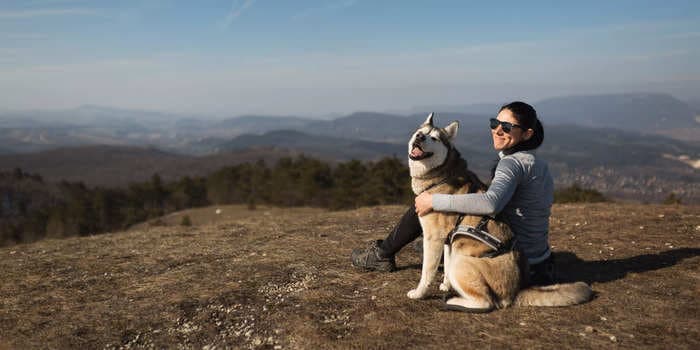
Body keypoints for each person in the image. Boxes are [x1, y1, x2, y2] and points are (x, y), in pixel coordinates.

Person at [351, 101, 556, 286]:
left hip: (511, 260)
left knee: (426, 204)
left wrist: (434, 200)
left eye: (507, 127)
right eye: (495, 123)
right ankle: (389, 251)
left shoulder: (511, 164)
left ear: (527, 134)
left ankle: (382, 254)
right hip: (541, 261)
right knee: (431, 216)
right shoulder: (537, 163)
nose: (498, 130)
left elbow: (491, 203)